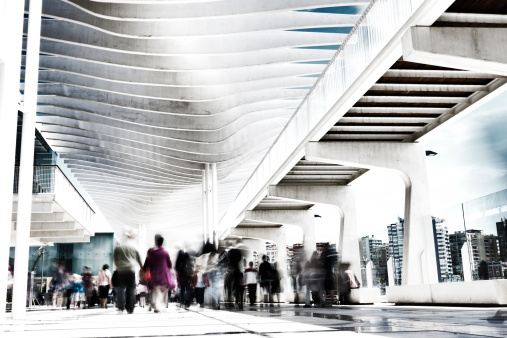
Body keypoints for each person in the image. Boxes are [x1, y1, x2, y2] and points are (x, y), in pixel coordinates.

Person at [113, 229, 143, 314]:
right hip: (131, 269)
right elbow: (139, 258)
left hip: (121, 270)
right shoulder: (134, 247)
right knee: (131, 288)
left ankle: (120, 306)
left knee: (121, 288)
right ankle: (130, 308)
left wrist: (118, 267)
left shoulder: (119, 247)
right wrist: (141, 267)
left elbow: (115, 259)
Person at [143, 234, 174, 313]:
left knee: (155, 290)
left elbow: (146, 263)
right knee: (161, 291)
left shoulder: (151, 252)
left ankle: (156, 305)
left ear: (156, 242)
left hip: (154, 275)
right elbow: (170, 265)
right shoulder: (165, 253)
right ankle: (158, 305)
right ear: (162, 243)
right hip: (163, 276)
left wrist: (143, 269)